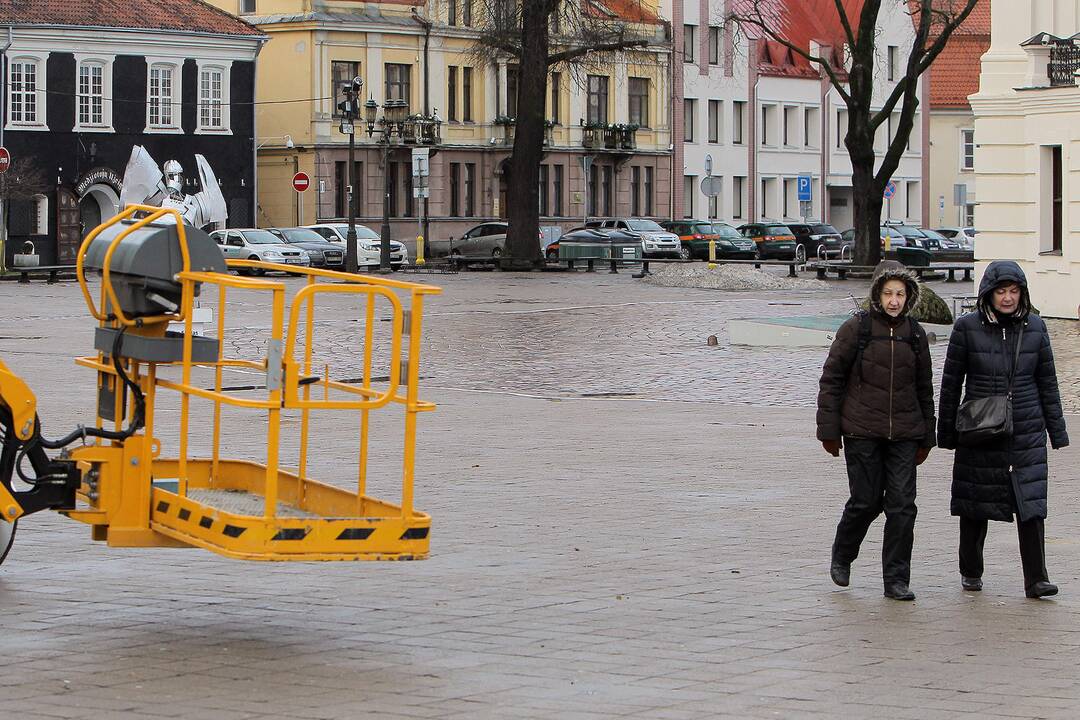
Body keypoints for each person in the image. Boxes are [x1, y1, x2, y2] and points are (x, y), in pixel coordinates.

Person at [937, 261, 1069, 598]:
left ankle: (1036, 579)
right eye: (1001, 291)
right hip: (980, 427)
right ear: (988, 294)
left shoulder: (1036, 328)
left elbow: (1047, 382)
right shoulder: (967, 327)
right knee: (974, 502)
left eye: (1013, 291)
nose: (1007, 298)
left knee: (1031, 504)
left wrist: (1057, 432)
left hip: (1025, 428)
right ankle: (971, 570)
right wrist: (946, 434)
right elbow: (951, 383)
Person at [817, 260, 936, 601]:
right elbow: (832, 379)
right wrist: (829, 430)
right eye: (888, 293)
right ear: (877, 295)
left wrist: (928, 436)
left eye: (900, 294)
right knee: (866, 502)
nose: (894, 300)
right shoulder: (857, 329)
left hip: (904, 432)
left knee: (902, 506)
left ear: (909, 296)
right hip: (862, 431)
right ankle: (843, 554)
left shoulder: (915, 334)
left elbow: (924, 388)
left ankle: (896, 579)